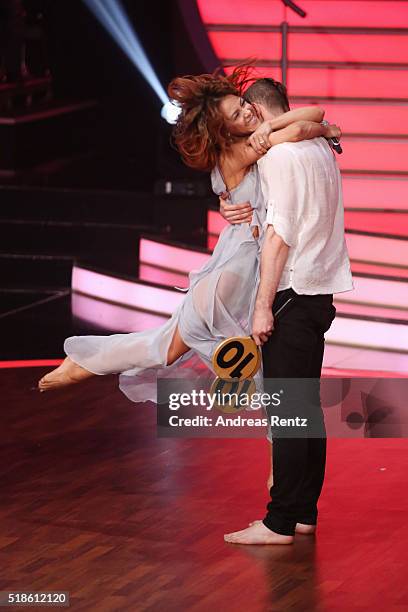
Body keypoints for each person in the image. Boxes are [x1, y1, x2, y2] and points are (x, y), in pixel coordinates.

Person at [219, 78, 354, 545]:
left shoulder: (279, 156)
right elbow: (315, 121)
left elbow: (279, 236)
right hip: (319, 295)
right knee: (305, 412)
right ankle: (301, 513)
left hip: (292, 292)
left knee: (289, 413)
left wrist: (262, 307)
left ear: (258, 112)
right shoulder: (319, 148)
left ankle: (279, 521)